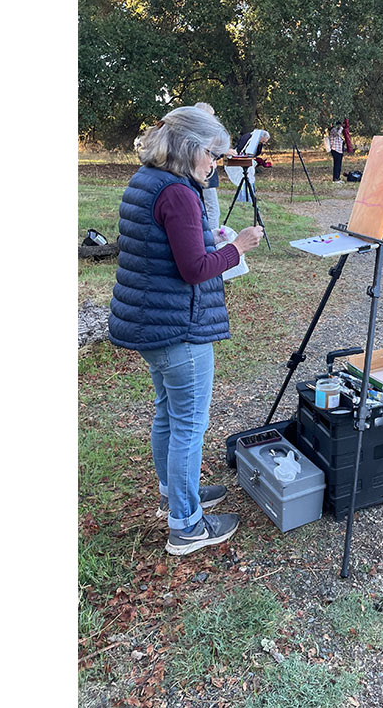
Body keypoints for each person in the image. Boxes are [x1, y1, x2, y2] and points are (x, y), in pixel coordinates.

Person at [108, 106, 265, 555]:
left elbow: (167, 248)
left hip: (151, 320)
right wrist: (235, 247)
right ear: (192, 148)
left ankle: (173, 497)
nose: (214, 166)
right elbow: (194, 269)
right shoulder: (177, 192)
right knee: (188, 427)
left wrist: (205, 236)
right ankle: (188, 526)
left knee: (167, 414)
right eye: (213, 156)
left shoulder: (148, 179)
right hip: (179, 327)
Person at [194, 102, 221, 230]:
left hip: (205, 172)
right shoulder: (201, 132)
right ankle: (213, 235)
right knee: (212, 207)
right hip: (203, 173)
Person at [327, 119, 353, 183]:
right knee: (336, 165)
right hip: (335, 150)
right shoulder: (333, 130)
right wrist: (341, 127)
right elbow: (338, 134)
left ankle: (337, 178)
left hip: (339, 150)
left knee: (339, 165)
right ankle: (335, 179)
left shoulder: (336, 130)